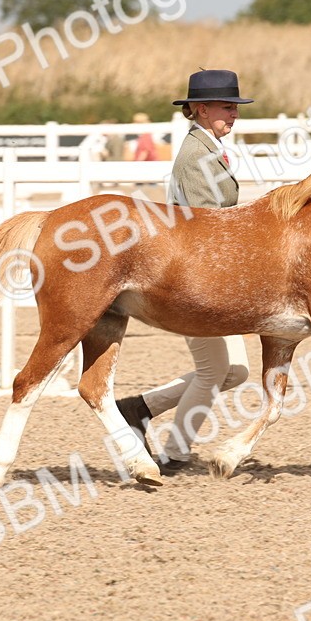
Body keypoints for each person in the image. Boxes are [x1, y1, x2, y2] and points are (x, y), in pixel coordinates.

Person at [115, 69, 253, 472]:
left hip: (211, 273)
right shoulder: (196, 157)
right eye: (227, 107)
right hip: (195, 278)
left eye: (234, 107)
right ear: (199, 109)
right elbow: (206, 225)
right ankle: (175, 451)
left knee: (236, 371)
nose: (233, 115)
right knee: (214, 370)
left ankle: (139, 408)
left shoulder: (209, 148)